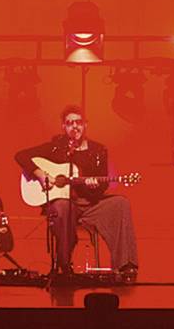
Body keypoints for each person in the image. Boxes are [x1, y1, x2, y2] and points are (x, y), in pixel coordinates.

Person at [14, 104, 139, 279]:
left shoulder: (98, 150)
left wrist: (94, 185)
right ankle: (64, 265)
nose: (75, 127)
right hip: (64, 204)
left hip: (89, 204)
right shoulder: (56, 147)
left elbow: (101, 186)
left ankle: (126, 265)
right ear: (63, 127)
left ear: (85, 125)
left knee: (120, 203)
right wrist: (41, 175)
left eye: (78, 122)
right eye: (70, 123)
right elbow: (20, 156)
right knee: (62, 207)